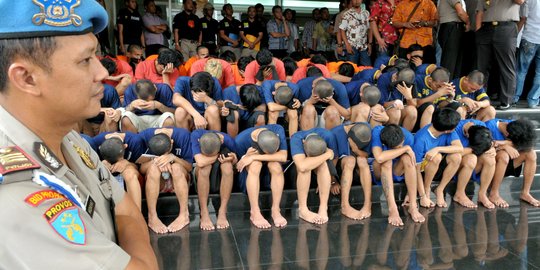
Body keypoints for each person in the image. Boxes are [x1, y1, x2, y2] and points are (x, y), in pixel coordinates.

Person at [0, 0, 157, 268]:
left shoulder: (62, 132)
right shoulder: (14, 193)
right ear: (26, 78)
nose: (102, 72)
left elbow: (126, 207)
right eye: (85, 60)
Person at [139, 128, 193, 233]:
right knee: (154, 168)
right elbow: (141, 169)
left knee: (176, 167)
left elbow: (189, 167)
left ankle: (184, 214)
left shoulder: (183, 136)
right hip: (158, 182)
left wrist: (173, 158)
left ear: (172, 142)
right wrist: (157, 162)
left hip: (178, 179)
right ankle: (152, 217)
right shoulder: (144, 136)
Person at [235, 125, 288, 229]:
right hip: (249, 175)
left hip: (269, 172)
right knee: (255, 165)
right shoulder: (240, 140)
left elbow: (283, 156)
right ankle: (254, 212)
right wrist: (246, 156)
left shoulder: (278, 130)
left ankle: (276, 210)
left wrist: (254, 156)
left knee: (276, 165)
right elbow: (237, 166)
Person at [371, 124, 425, 225]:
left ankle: (413, 206)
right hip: (381, 172)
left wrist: (410, 194)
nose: (400, 147)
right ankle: (392, 208)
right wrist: (405, 149)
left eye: (401, 145)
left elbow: (416, 167)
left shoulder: (408, 137)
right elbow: (379, 157)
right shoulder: (378, 132)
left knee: (408, 158)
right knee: (386, 161)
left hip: (397, 171)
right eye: (397, 147)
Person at [475, 0, 524, 110]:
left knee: (506, 66)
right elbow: (480, 12)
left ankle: (506, 101)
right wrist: (478, 31)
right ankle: (480, 98)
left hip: (506, 27)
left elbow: (520, 1)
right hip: (486, 28)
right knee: (481, 67)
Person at [413, 108, 463, 208]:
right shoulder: (421, 139)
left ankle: (439, 189)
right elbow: (416, 170)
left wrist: (437, 148)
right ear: (448, 130)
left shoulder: (448, 130)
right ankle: (427, 190)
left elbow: (460, 148)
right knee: (436, 157)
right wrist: (422, 196)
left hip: (438, 167)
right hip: (423, 170)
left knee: (456, 156)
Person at [485, 119, 539, 207]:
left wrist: (506, 143)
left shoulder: (514, 125)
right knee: (503, 155)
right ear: (507, 134)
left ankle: (525, 193)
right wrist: (504, 146)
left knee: (531, 153)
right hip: (491, 165)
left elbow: (526, 143)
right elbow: (482, 146)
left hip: (508, 163)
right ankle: (493, 193)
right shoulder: (488, 127)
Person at [191, 130, 237, 230]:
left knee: (228, 167)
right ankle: (204, 211)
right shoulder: (196, 136)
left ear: (221, 143)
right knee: (204, 168)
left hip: (219, 172)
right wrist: (218, 156)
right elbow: (201, 162)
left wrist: (232, 159)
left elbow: (236, 161)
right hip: (201, 171)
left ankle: (222, 210)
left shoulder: (228, 140)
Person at [291, 129, 338, 224]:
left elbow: (334, 158)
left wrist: (331, 181)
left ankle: (323, 207)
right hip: (298, 171)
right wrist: (328, 154)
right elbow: (302, 166)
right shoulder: (297, 138)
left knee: (323, 164)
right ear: (303, 143)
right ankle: (303, 210)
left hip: (322, 166)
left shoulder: (328, 136)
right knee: (306, 167)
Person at [330, 123, 373, 220]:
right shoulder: (335, 134)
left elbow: (367, 154)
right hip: (341, 169)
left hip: (358, 171)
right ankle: (345, 206)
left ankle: (367, 204)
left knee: (362, 160)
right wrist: (332, 181)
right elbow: (332, 161)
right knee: (350, 160)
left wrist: (356, 150)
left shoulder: (366, 129)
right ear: (349, 138)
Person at [94, 132, 147, 210]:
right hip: (107, 181)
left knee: (130, 173)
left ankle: (137, 214)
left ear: (125, 146)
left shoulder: (134, 142)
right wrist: (100, 165)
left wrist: (128, 164)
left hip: (132, 178)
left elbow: (141, 167)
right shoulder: (95, 143)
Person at [453, 120, 496, 208]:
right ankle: (459, 194)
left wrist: (491, 148)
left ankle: (482, 194)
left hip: (473, 165)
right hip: (454, 165)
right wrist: (473, 149)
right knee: (471, 158)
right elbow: (453, 153)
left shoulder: (481, 126)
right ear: (467, 136)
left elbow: (489, 143)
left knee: (490, 159)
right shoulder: (455, 130)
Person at [513, 0, 540, 108]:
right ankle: (533, 101)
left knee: (521, 70)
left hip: (529, 37)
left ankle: (514, 98)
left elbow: (523, 17)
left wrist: (514, 35)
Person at [437, 0, 470, 79]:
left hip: (447, 27)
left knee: (452, 61)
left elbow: (437, 16)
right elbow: (460, 12)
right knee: (450, 63)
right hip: (453, 28)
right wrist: (468, 22)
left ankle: (450, 86)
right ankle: (446, 86)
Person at [339, 0, 372, 66]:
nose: (357, 1)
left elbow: (370, 29)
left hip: (363, 46)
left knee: (367, 67)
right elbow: (342, 30)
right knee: (352, 69)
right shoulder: (347, 14)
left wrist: (370, 43)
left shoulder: (366, 13)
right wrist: (347, 44)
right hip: (352, 46)